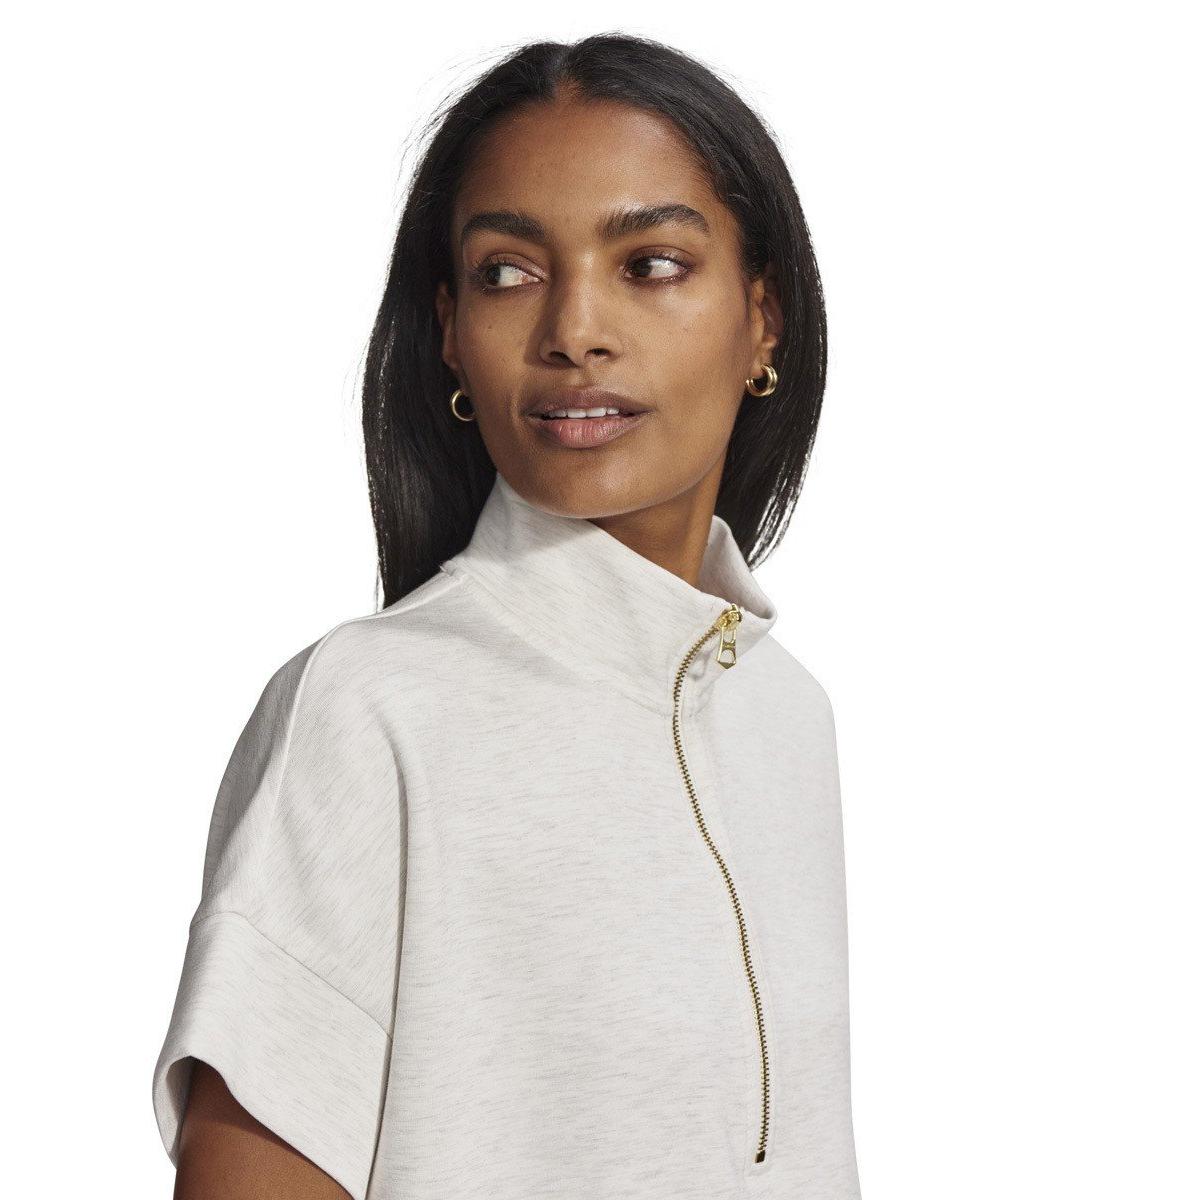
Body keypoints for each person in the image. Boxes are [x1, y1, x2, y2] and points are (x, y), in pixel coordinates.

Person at [151, 31, 861, 1200]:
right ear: (448, 332)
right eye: (508, 273)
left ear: (764, 318)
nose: (574, 329)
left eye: (652, 264)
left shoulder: (787, 718)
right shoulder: (368, 711)